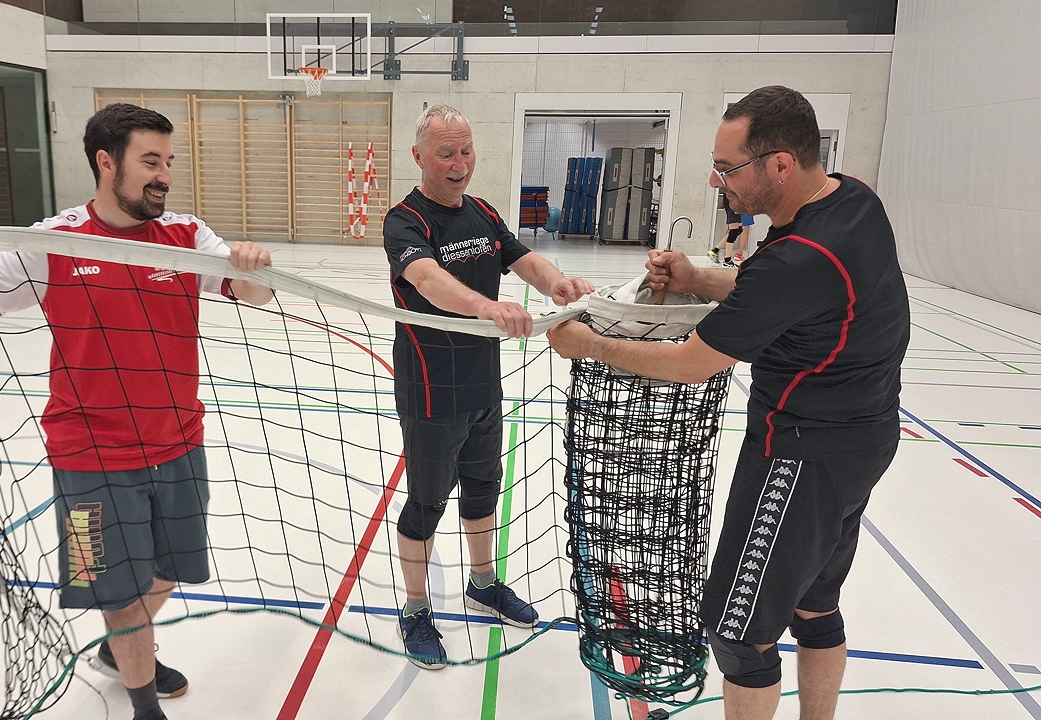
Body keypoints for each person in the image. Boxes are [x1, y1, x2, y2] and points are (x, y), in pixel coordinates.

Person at [546, 86, 908, 720]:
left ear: (780, 165)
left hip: (800, 459)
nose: (718, 181)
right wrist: (694, 278)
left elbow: (693, 362)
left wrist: (590, 345)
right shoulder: (853, 201)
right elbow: (765, 287)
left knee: (740, 635)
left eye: (729, 167)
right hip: (865, 442)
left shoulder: (797, 259)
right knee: (814, 606)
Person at [0, 103, 275, 720]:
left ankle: (119, 647)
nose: (164, 176)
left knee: (170, 570)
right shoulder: (54, 242)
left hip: (178, 442)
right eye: (150, 162)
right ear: (107, 163)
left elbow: (253, 294)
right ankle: (142, 705)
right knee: (117, 591)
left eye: (168, 162)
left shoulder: (187, 236)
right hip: (89, 456)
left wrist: (252, 267)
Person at [384, 104, 593, 669]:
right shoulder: (405, 221)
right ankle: (415, 609)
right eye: (446, 154)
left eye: (466, 151)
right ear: (419, 156)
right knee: (427, 502)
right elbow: (427, 279)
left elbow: (523, 259)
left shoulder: (482, 212)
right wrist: (486, 307)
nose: (460, 164)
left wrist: (558, 284)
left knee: (483, 490)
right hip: (430, 389)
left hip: (483, 385)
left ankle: (482, 584)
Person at [709, 192, 742, 267]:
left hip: (734, 201)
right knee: (734, 231)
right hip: (733, 201)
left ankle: (715, 250)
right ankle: (727, 259)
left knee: (738, 230)